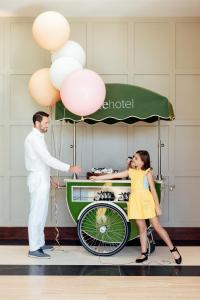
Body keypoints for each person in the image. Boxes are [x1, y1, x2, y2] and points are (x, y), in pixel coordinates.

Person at [90, 150, 182, 264]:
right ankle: (144, 254)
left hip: (147, 202)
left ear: (143, 162)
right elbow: (115, 175)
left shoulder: (147, 173)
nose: (133, 159)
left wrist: (157, 207)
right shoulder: (131, 171)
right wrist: (97, 178)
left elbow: (153, 190)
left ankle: (173, 249)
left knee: (157, 227)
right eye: (134, 157)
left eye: (136, 158)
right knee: (142, 229)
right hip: (136, 202)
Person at [24, 111, 82, 259]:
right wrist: (69, 167)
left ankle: (40, 243)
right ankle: (33, 248)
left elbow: (42, 162)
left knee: (42, 214)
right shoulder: (33, 139)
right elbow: (47, 159)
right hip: (37, 179)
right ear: (37, 123)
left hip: (42, 177)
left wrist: (50, 179)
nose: (48, 125)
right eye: (46, 123)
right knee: (36, 214)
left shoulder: (39, 137)